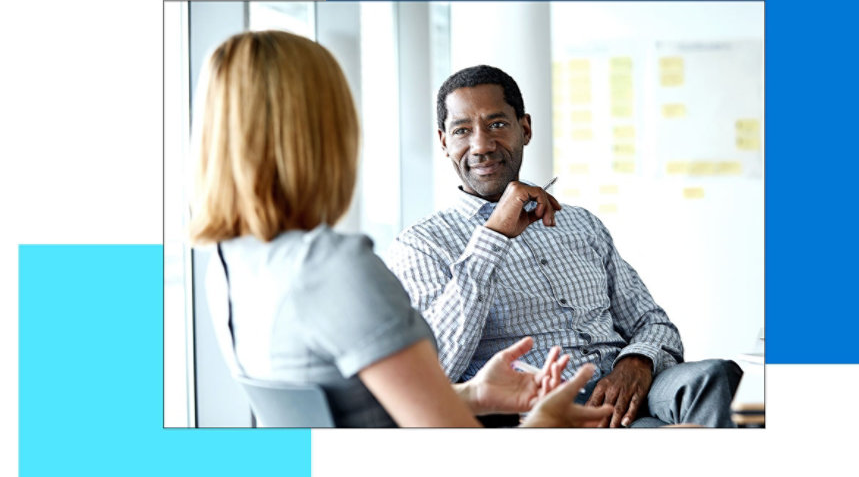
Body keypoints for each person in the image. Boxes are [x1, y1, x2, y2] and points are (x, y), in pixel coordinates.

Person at [188, 31, 614, 428]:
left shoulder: (231, 264)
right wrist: (544, 425)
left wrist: (475, 394)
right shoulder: (335, 267)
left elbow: (356, 417)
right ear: (324, 132)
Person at [386, 64, 744, 427]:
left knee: (714, 377)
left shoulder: (580, 223)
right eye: (462, 130)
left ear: (524, 129)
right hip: (544, 412)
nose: (481, 145)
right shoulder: (421, 245)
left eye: (497, 125)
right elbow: (437, 368)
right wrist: (492, 237)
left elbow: (653, 322)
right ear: (444, 142)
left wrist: (636, 362)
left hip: (634, 388)